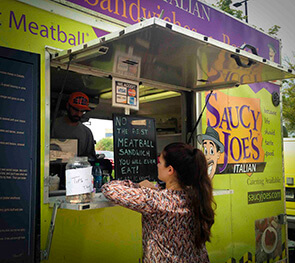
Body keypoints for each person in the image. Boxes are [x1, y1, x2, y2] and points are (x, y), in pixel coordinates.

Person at [102, 142, 215, 262]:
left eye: (160, 162)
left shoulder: (155, 200)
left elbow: (109, 189)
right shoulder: (197, 196)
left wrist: (137, 185)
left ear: (170, 170)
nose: (157, 165)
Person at [51, 91, 96, 161]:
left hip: (77, 170)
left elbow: (91, 158)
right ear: (68, 106)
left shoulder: (87, 132)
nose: (78, 114)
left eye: (82, 111)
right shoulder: (51, 125)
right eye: (75, 109)